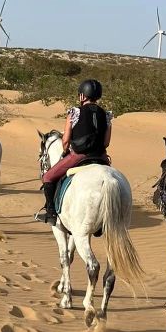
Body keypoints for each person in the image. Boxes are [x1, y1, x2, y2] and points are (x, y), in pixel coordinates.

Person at [36, 78, 112, 224]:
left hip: (79, 156)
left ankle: (51, 213)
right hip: (101, 157)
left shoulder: (74, 112)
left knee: (48, 177)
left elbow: (65, 141)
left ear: (82, 95)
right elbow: (106, 142)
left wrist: (65, 151)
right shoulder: (106, 115)